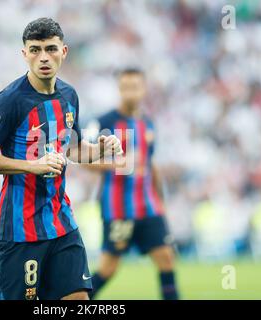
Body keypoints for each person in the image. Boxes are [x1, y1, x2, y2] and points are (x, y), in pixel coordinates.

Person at [0, 17, 122, 300]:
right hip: (21, 229)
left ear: (64, 51)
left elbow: (71, 149)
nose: (43, 57)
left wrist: (100, 148)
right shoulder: (11, 100)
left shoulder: (69, 95)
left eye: (50, 49)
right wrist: (31, 166)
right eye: (35, 50)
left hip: (61, 222)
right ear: (24, 54)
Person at [87, 68, 179, 300]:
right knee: (108, 268)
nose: (131, 93)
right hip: (117, 209)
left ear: (144, 89)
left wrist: (161, 203)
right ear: (119, 89)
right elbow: (84, 159)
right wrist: (116, 164)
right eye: (126, 87)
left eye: (135, 87)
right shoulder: (104, 122)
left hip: (148, 206)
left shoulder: (148, 124)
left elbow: (151, 164)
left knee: (166, 258)